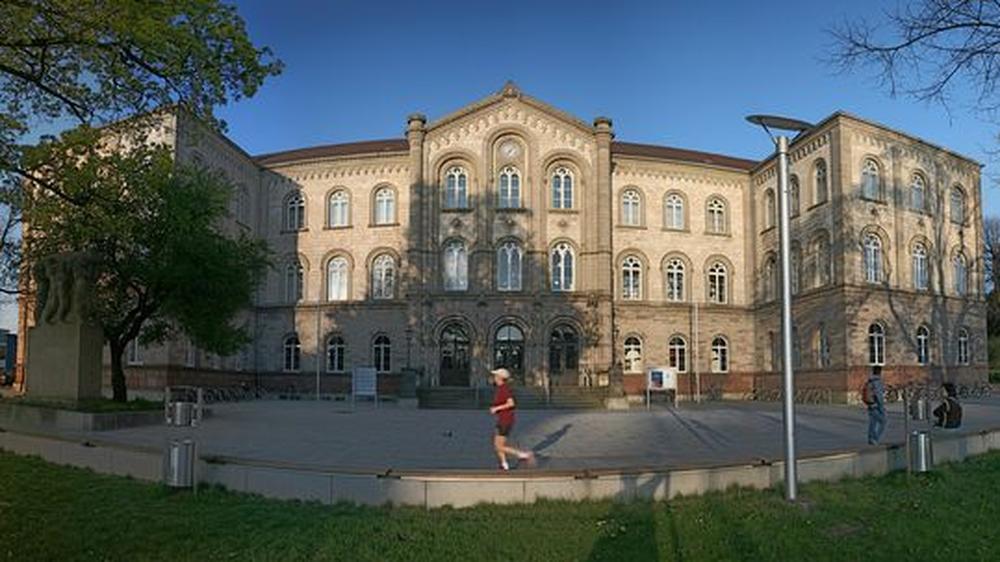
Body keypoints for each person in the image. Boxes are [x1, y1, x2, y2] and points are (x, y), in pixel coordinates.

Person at [488, 368, 534, 471]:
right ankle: (504, 465)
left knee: (499, 446)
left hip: (506, 420)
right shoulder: (500, 388)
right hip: (503, 419)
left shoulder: (504, 389)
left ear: (500, 377)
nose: (494, 377)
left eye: (496, 376)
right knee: (497, 444)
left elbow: (511, 403)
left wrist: (496, 408)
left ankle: (522, 454)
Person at [863, 366, 886, 445]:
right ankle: (875, 438)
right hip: (876, 405)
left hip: (870, 404)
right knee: (883, 421)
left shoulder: (870, 381)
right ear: (880, 372)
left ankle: (871, 438)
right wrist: (881, 407)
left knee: (873, 422)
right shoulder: (877, 381)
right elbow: (879, 395)